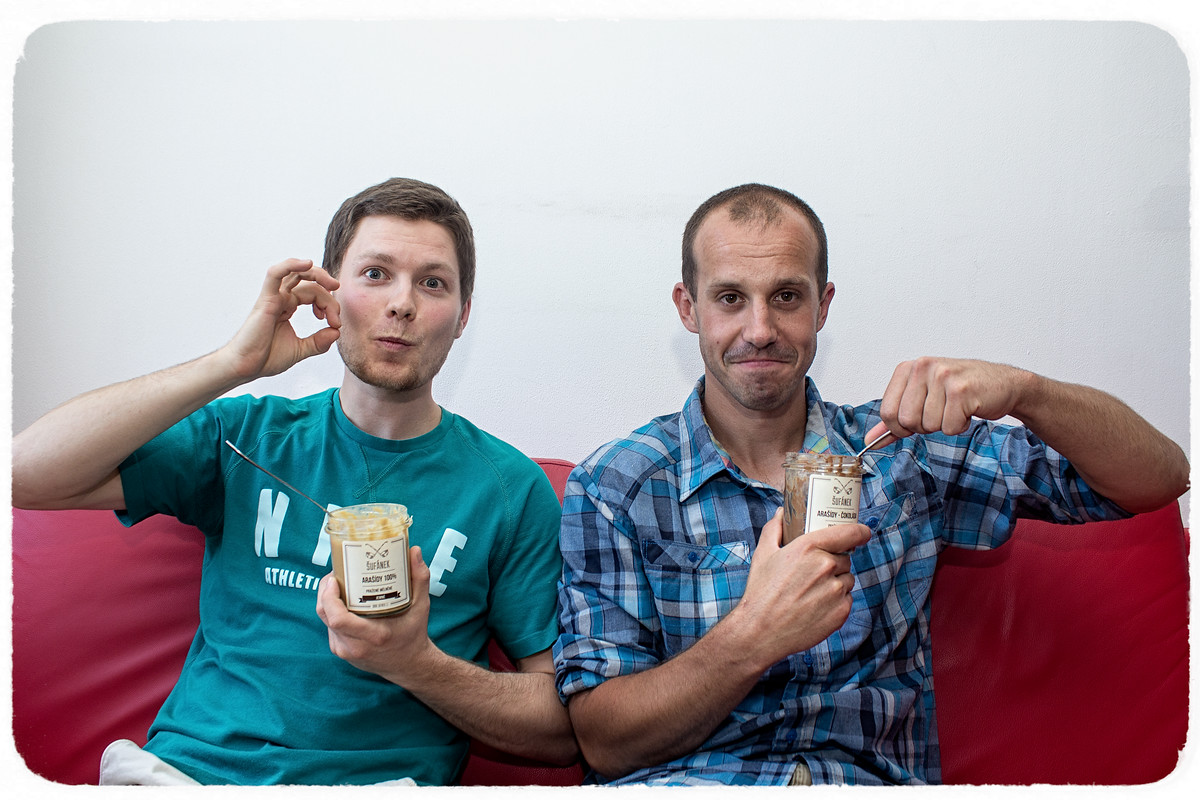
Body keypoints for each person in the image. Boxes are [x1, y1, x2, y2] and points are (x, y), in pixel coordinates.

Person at [552, 183, 1189, 786]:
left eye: (786, 296)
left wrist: (1026, 391)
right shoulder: (618, 485)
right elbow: (604, 742)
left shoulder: (905, 455)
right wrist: (752, 636)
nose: (759, 329)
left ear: (823, 305)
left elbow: (1159, 479)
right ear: (688, 308)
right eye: (730, 298)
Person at [11, 177, 577, 785]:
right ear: (330, 295)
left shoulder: (508, 490)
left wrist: (413, 662)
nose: (402, 303)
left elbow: (560, 731)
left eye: (432, 282)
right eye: (376, 274)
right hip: (187, 776)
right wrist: (233, 364)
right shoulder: (246, 437)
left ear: (462, 316)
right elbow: (23, 474)